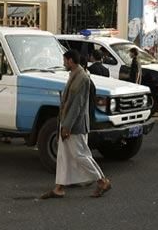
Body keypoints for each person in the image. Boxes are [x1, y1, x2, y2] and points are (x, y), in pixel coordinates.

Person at [40, 50, 111, 199]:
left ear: (71, 60)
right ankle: (59, 188)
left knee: (80, 155)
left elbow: (77, 105)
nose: (64, 63)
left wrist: (67, 126)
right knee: (63, 156)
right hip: (68, 123)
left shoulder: (82, 78)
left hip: (74, 126)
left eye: (65, 60)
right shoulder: (74, 75)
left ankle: (102, 180)